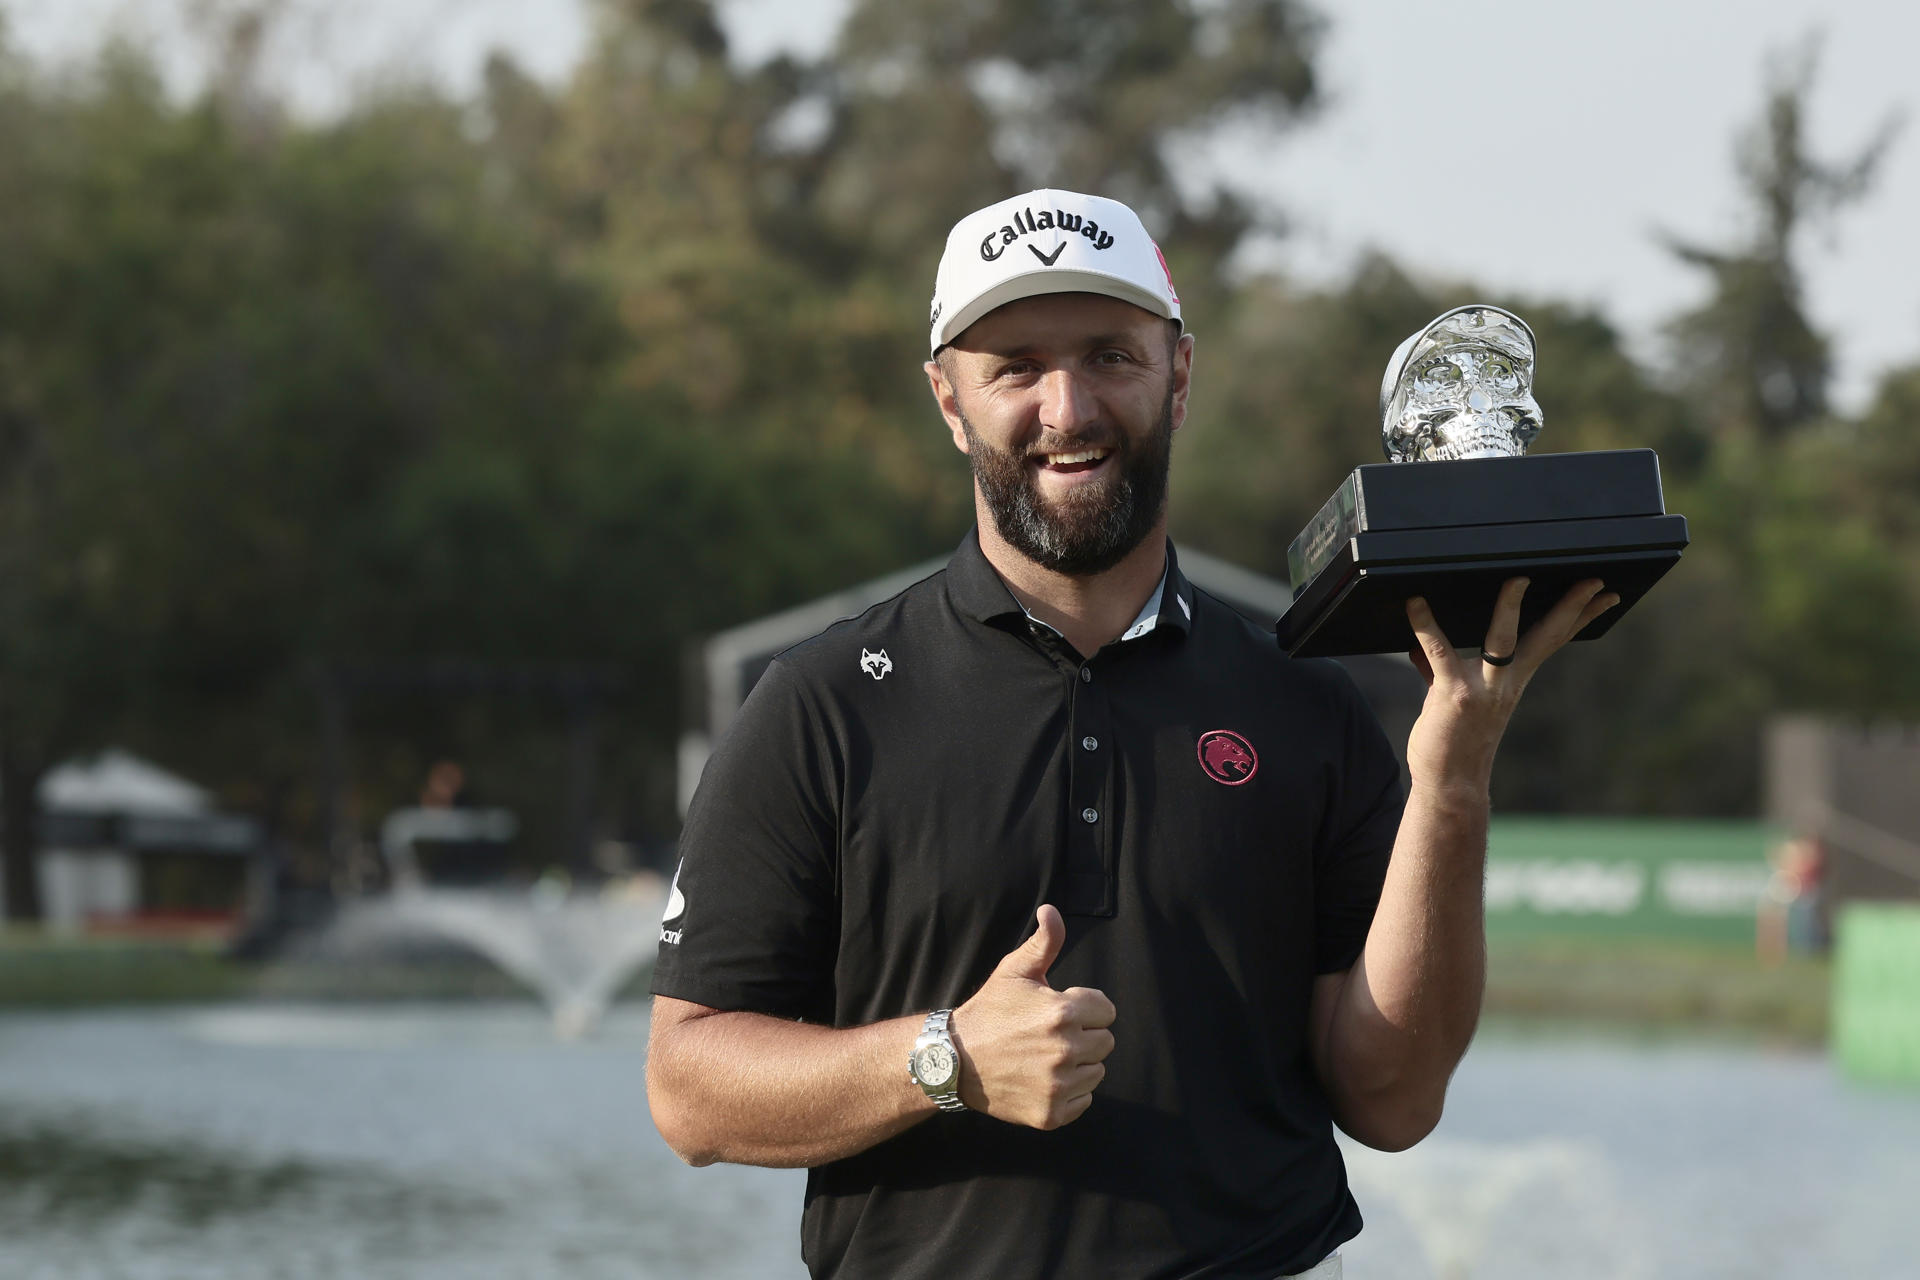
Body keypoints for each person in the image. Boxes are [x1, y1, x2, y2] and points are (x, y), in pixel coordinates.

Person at [647, 189, 1620, 1279]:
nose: (1069, 407)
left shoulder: (1305, 701)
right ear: (948, 399)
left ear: (1181, 375)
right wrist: (948, 1056)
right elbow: (688, 1088)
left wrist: (1451, 781)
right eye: (1016, 363)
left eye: (1111, 354)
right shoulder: (822, 704)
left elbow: (1393, 1101)